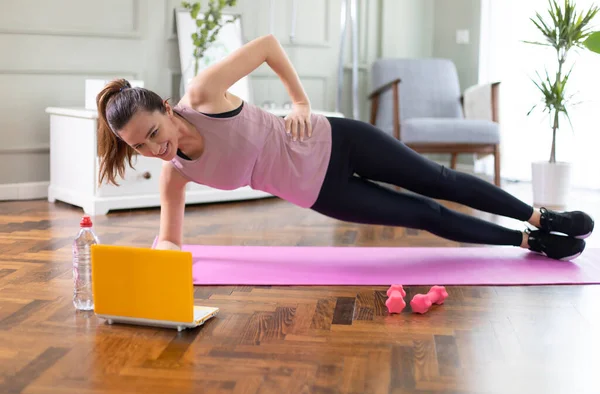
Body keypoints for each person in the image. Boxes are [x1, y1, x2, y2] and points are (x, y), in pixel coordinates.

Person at [95, 34, 594, 261]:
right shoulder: (176, 175)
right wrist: (159, 255)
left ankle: (540, 216)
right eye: (138, 147)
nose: (154, 149)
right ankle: (531, 244)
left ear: (165, 106)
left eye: (153, 133)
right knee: (424, 213)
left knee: (438, 180)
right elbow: (171, 239)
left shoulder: (203, 94)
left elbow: (268, 44)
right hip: (322, 195)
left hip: (338, 140)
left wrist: (300, 101)